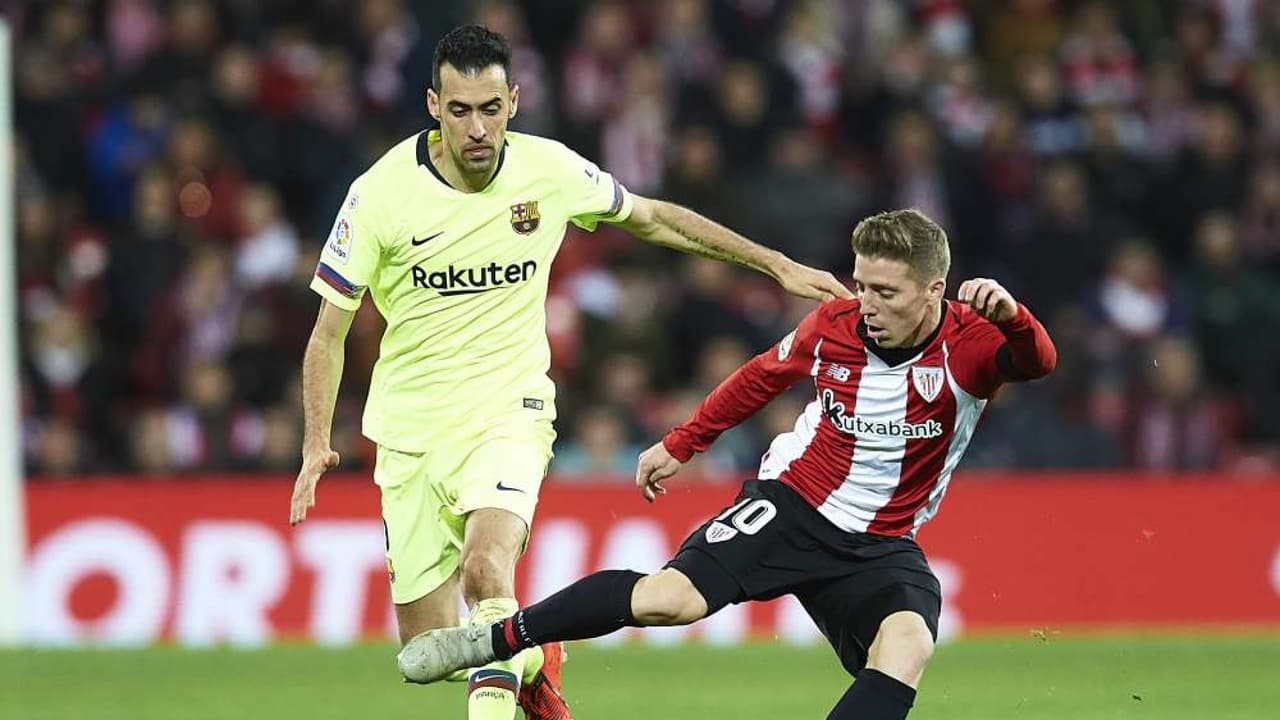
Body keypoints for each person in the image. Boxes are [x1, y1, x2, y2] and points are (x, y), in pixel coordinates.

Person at [288, 24, 849, 720]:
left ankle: (509, 667)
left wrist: (775, 264)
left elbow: (651, 218)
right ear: (433, 105)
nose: (477, 128)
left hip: (508, 411)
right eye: (460, 110)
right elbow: (328, 333)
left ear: (514, 102)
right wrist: (316, 439)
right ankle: (533, 652)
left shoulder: (548, 171)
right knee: (428, 653)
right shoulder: (379, 195)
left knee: (486, 571)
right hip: (411, 433)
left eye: (490, 109)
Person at [397, 209, 1058, 720]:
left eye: (886, 291)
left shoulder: (972, 343)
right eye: (861, 285)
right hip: (792, 504)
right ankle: (494, 641)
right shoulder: (833, 326)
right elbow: (760, 377)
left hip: (881, 542)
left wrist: (1016, 317)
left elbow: (1038, 363)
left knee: (909, 642)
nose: (868, 304)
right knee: (669, 601)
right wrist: (681, 443)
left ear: (934, 290)